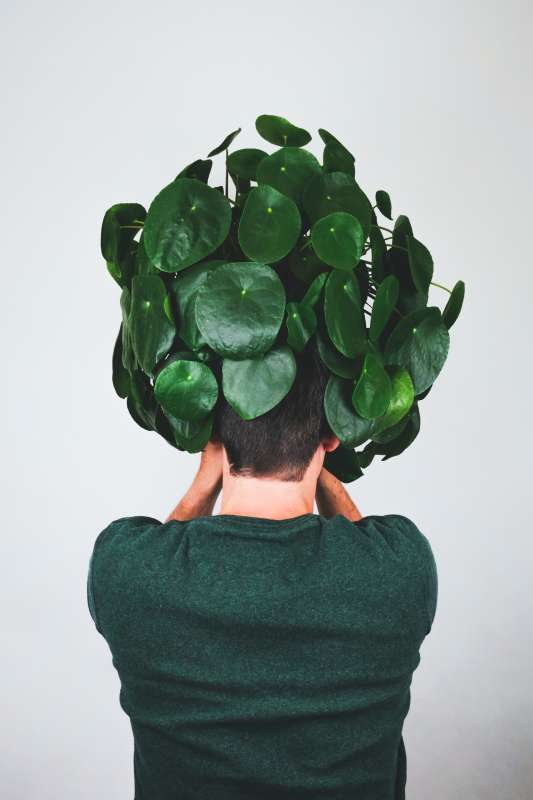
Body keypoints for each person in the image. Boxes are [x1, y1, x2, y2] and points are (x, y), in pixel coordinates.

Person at [87, 343, 438, 800]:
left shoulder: (125, 572)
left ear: (213, 435)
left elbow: (158, 556)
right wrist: (319, 459)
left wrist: (205, 477)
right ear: (331, 437)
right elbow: (370, 547)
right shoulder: (402, 570)